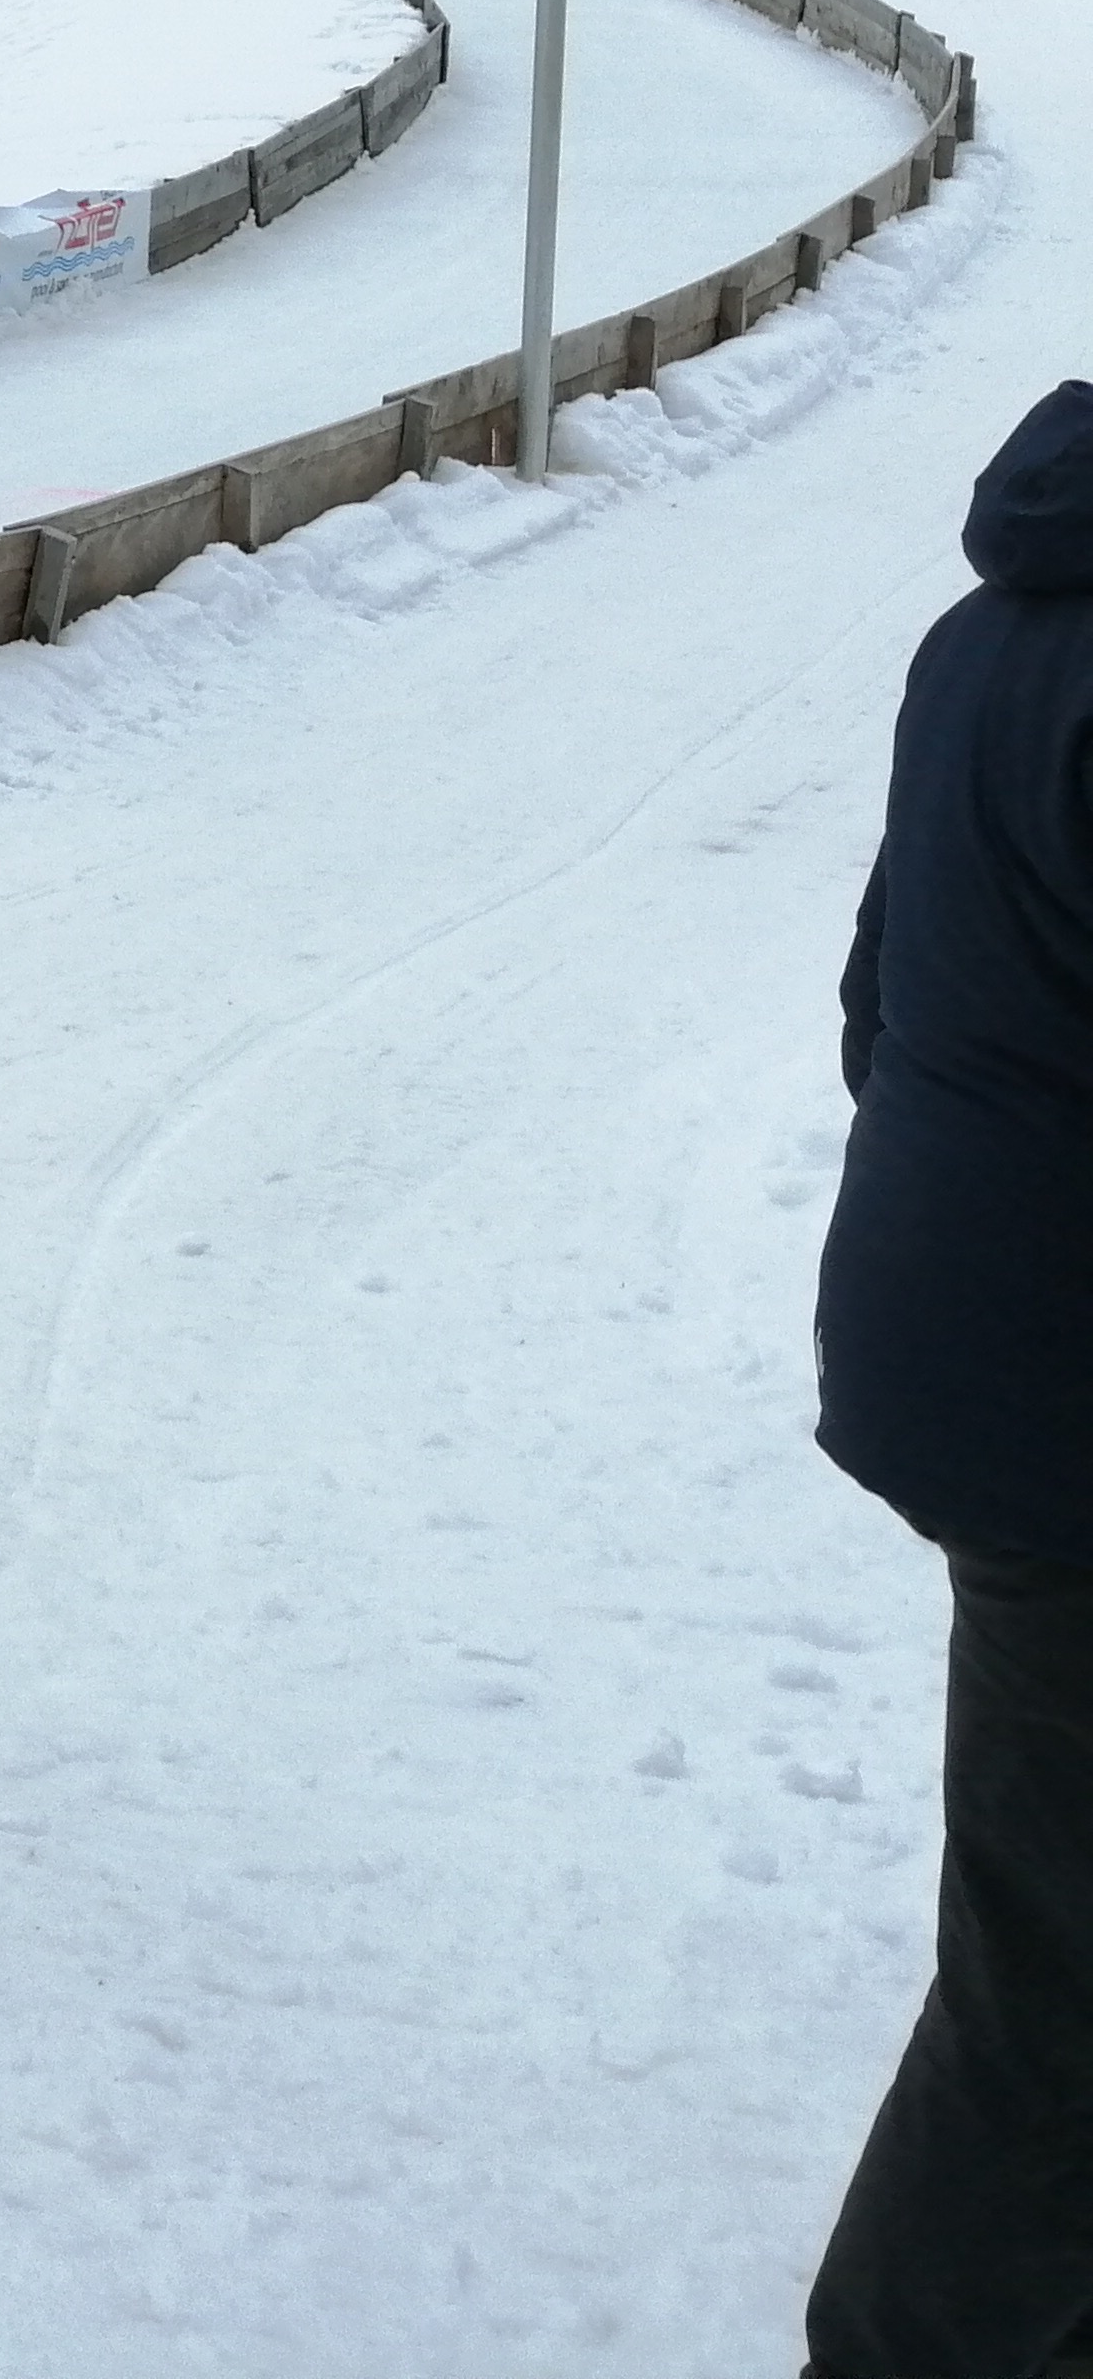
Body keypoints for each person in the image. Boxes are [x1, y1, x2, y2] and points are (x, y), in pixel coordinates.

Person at [804, 381, 1093, 2372]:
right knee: (1060, 1991)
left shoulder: (998, 622)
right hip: (1058, 1409)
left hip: (981, 1359)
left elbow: (877, 998)